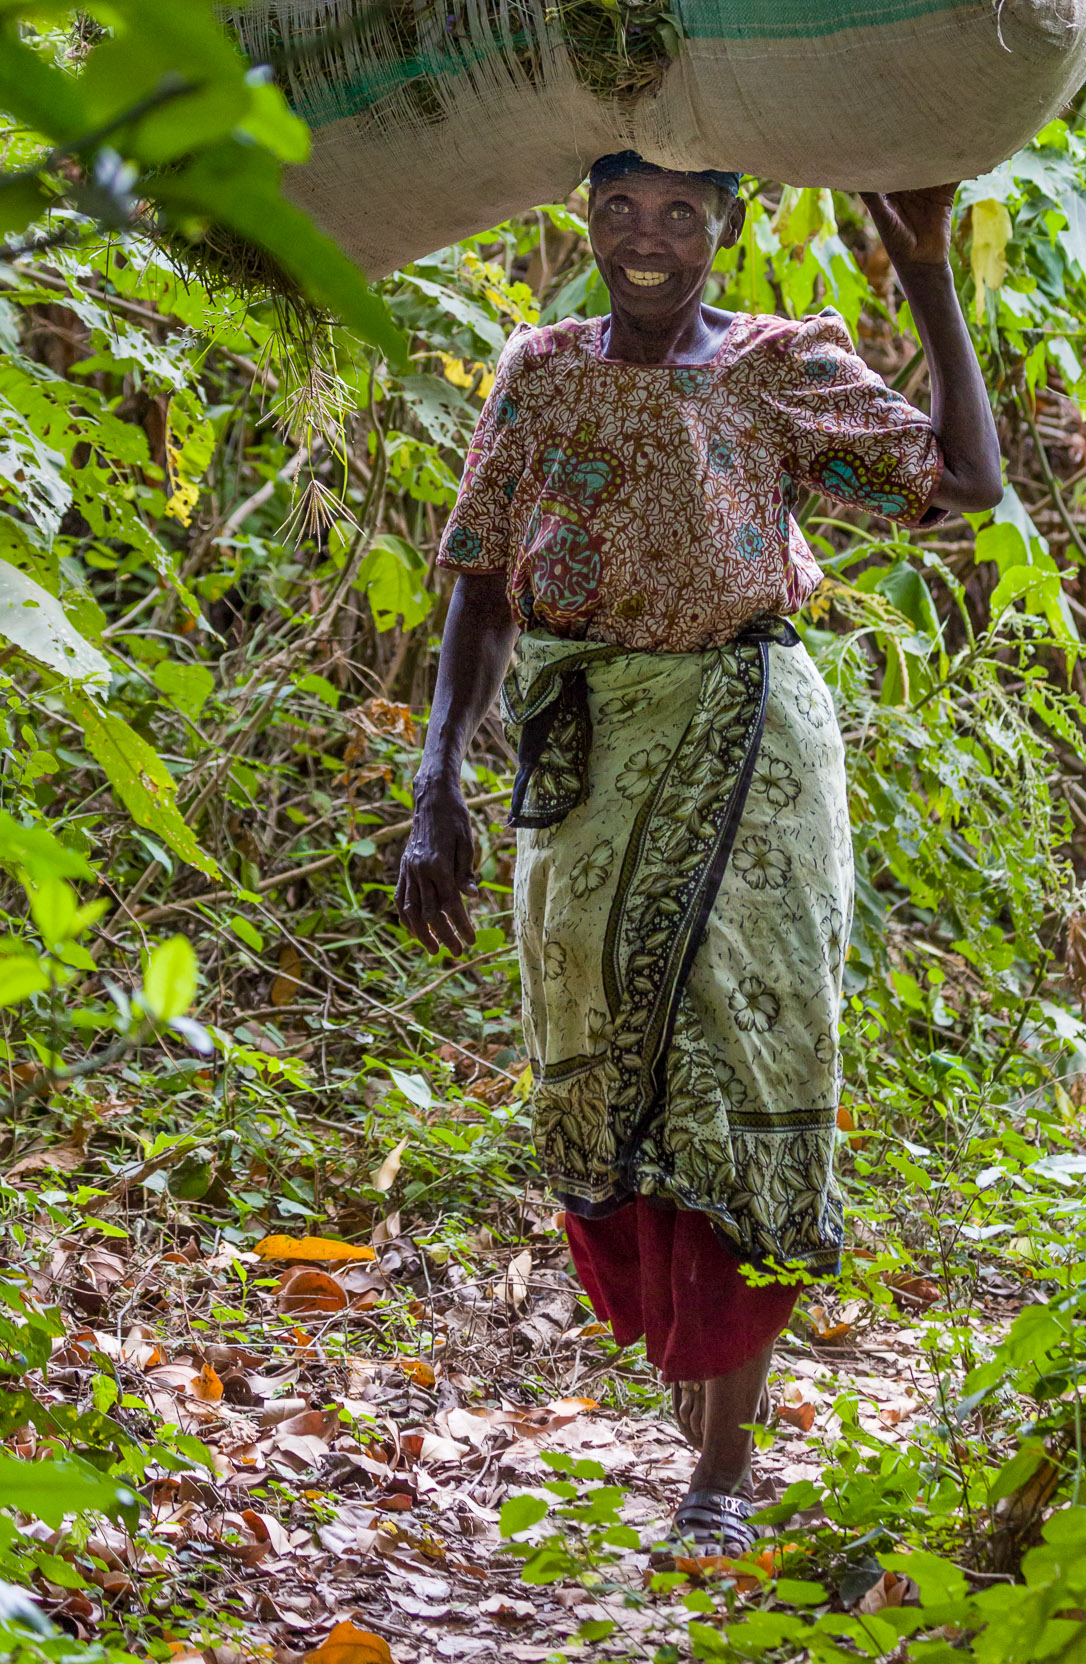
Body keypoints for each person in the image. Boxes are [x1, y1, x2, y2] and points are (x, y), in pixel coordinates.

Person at [396, 151, 1002, 1554]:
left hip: (748, 748)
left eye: (681, 214)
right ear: (585, 221)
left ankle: (721, 1475)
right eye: (620, 211)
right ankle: (704, 1407)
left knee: (742, 1073)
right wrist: (437, 778)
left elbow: (965, 482)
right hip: (586, 756)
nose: (647, 241)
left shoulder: (779, 367)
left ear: (729, 227)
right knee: (604, 1080)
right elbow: (482, 582)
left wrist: (922, 265)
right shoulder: (541, 370)